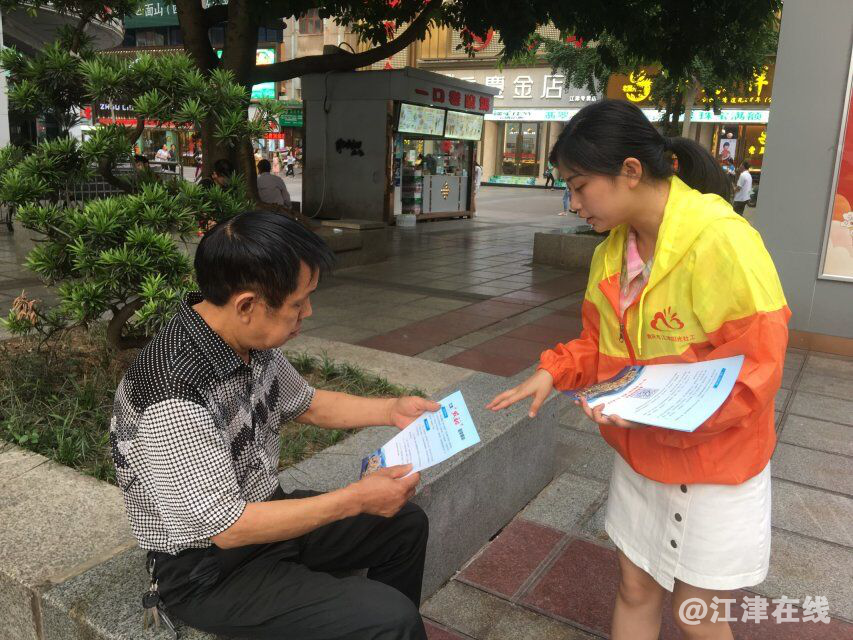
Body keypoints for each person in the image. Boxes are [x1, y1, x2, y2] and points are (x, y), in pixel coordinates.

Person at [487, 100, 789, 640]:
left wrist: (663, 411)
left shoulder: (722, 240)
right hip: (643, 455)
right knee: (634, 590)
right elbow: (597, 344)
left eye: (580, 186)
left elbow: (755, 369)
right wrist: (554, 371)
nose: (572, 203)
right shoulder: (612, 252)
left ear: (630, 171)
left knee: (697, 615)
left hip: (714, 464)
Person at [110, 212, 436, 639]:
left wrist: (392, 409)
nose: (308, 312)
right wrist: (357, 499)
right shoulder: (174, 395)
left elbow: (309, 403)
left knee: (405, 525)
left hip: (264, 516)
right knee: (393, 618)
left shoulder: (243, 339)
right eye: (298, 303)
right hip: (209, 569)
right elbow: (228, 529)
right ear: (247, 305)